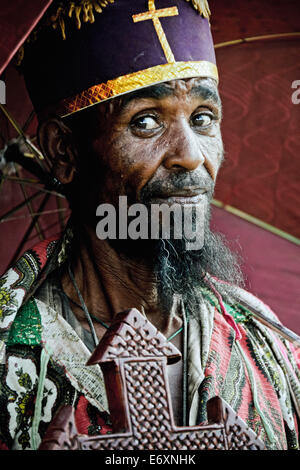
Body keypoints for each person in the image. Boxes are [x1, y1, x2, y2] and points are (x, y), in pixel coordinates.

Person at [0, 0, 299, 451]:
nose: (192, 155)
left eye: (203, 118)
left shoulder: (268, 349)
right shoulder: (9, 350)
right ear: (64, 150)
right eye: (145, 121)